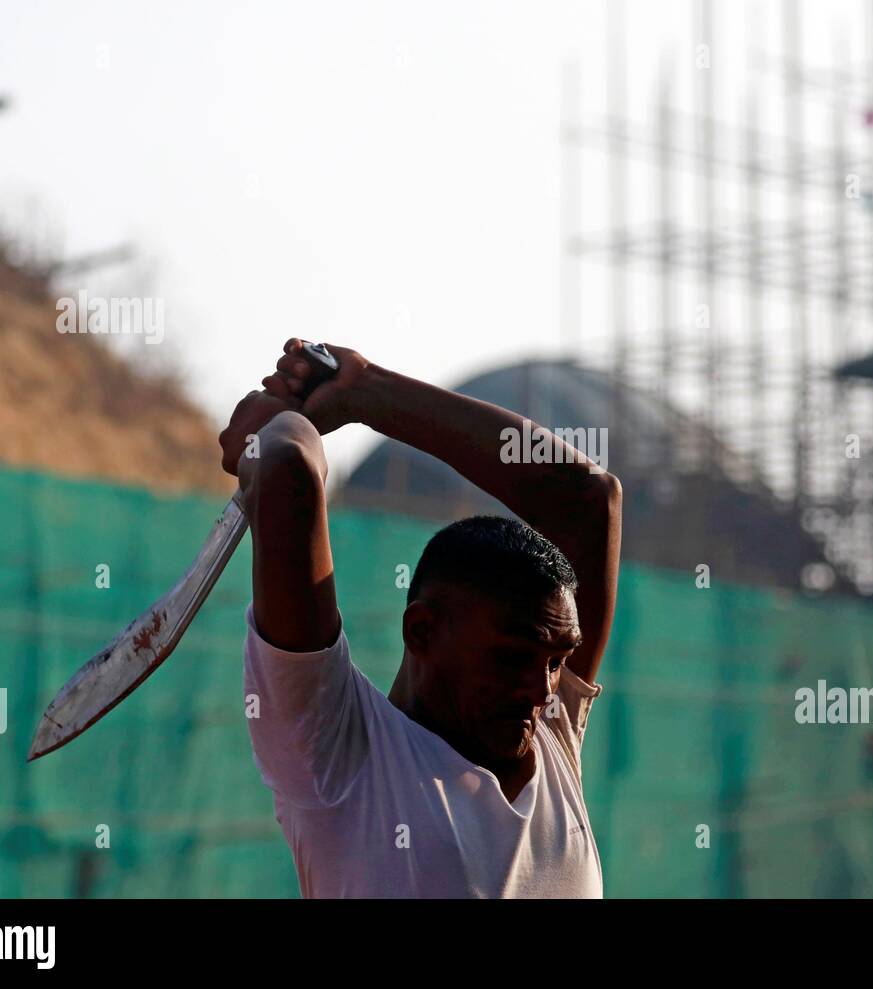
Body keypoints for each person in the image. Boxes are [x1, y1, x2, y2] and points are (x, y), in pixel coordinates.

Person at [217, 339, 622, 897]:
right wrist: (280, 431)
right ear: (422, 631)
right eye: (512, 657)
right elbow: (288, 468)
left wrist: (367, 391)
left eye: (555, 661)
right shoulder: (338, 755)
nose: (541, 688)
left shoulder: (552, 735)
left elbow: (591, 498)